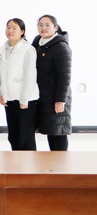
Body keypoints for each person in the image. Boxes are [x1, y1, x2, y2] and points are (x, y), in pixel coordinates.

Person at [0, 18, 39, 151]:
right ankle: (16, 162)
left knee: (25, 136)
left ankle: (29, 163)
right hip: (9, 97)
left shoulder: (28, 49)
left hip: (25, 99)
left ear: (22, 31)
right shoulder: (2, 49)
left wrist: (24, 99)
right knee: (13, 135)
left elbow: (30, 76)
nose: (10, 30)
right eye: (8, 27)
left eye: (14, 28)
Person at [32, 15, 72, 151]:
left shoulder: (61, 47)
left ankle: (61, 162)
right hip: (44, 96)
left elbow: (65, 77)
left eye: (47, 25)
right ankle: (54, 162)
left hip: (56, 96)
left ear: (55, 27)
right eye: (40, 25)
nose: (43, 28)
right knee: (51, 129)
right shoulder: (38, 43)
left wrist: (60, 100)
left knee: (59, 131)